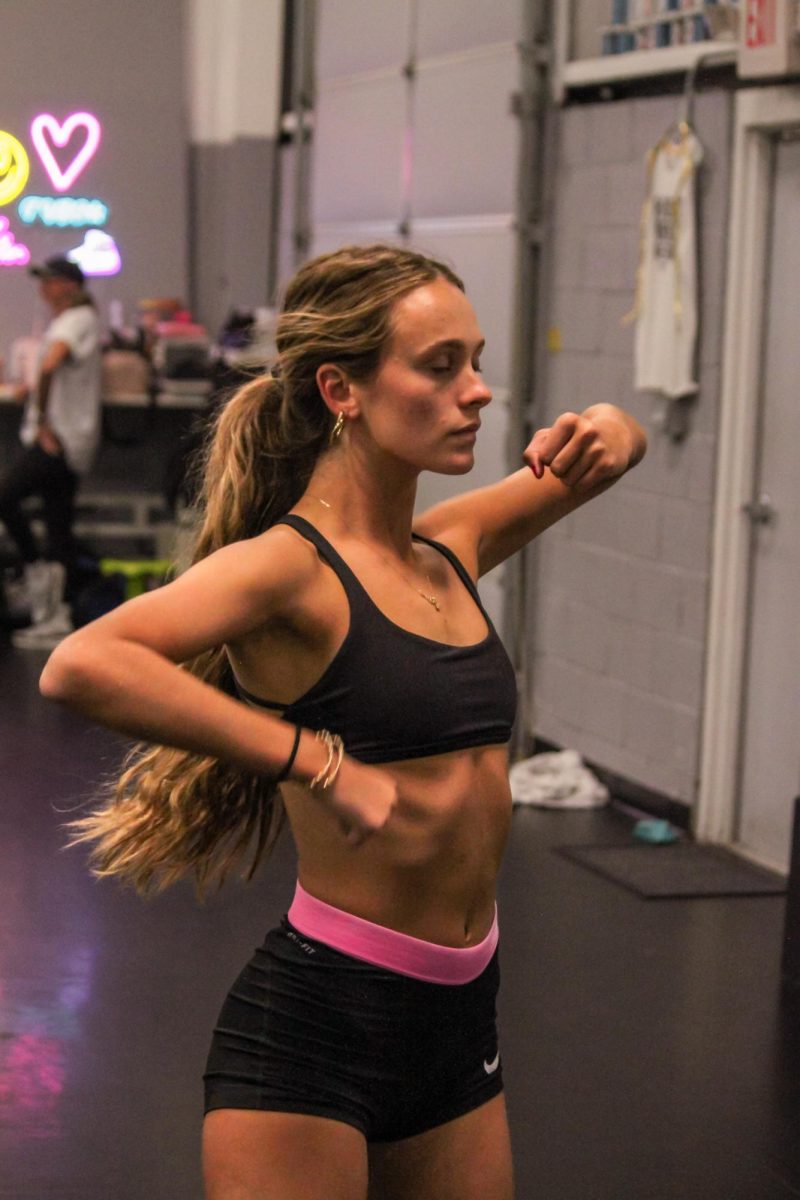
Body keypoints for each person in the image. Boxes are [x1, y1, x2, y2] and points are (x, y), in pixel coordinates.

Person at [39, 244, 646, 1200]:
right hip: (315, 1037)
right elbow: (84, 663)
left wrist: (611, 424)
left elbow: (606, 456)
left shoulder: (449, 545)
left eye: (476, 361)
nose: (476, 392)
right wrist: (309, 757)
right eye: (440, 365)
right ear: (343, 390)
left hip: (460, 1025)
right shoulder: (290, 569)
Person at [1, 255, 102, 647]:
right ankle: (54, 614)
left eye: (51, 280)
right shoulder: (72, 322)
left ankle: (35, 571)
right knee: (58, 523)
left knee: (6, 497)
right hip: (68, 439)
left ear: (71, 286)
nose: (43, 287)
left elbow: (51, 365)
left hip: (57, 440)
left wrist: (41, 420)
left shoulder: (77, 321)